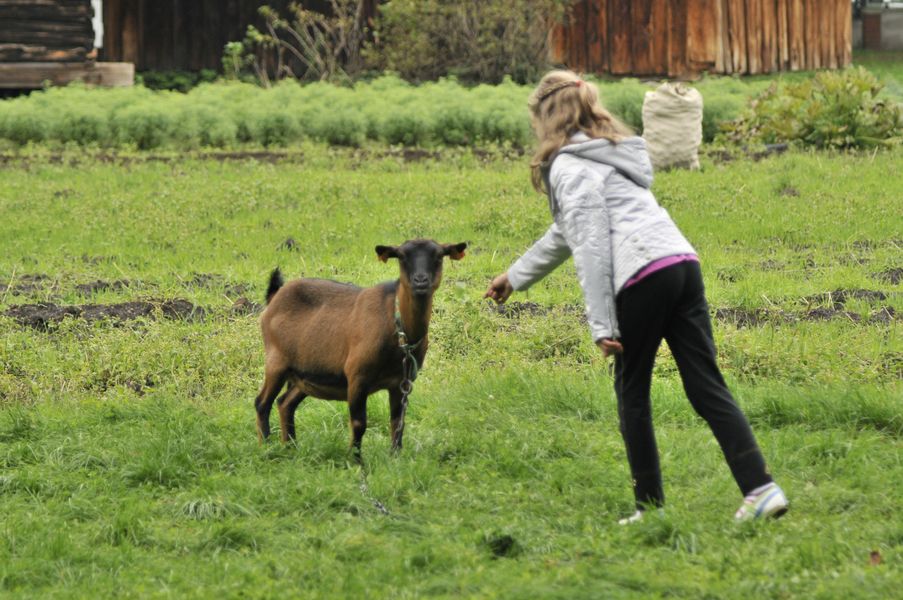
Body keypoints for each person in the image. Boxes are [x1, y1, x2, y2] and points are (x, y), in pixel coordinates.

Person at [484, 70, 788, 523]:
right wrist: (515, 275)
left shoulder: (568, 165)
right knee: (706, 384)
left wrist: (602, 325)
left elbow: (590, 245)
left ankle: (649, 508)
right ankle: (761, 489)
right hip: (680, 263)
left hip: (642, 275)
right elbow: (568, 231)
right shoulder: (609, 151)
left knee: (632, 393)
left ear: (547, 117)